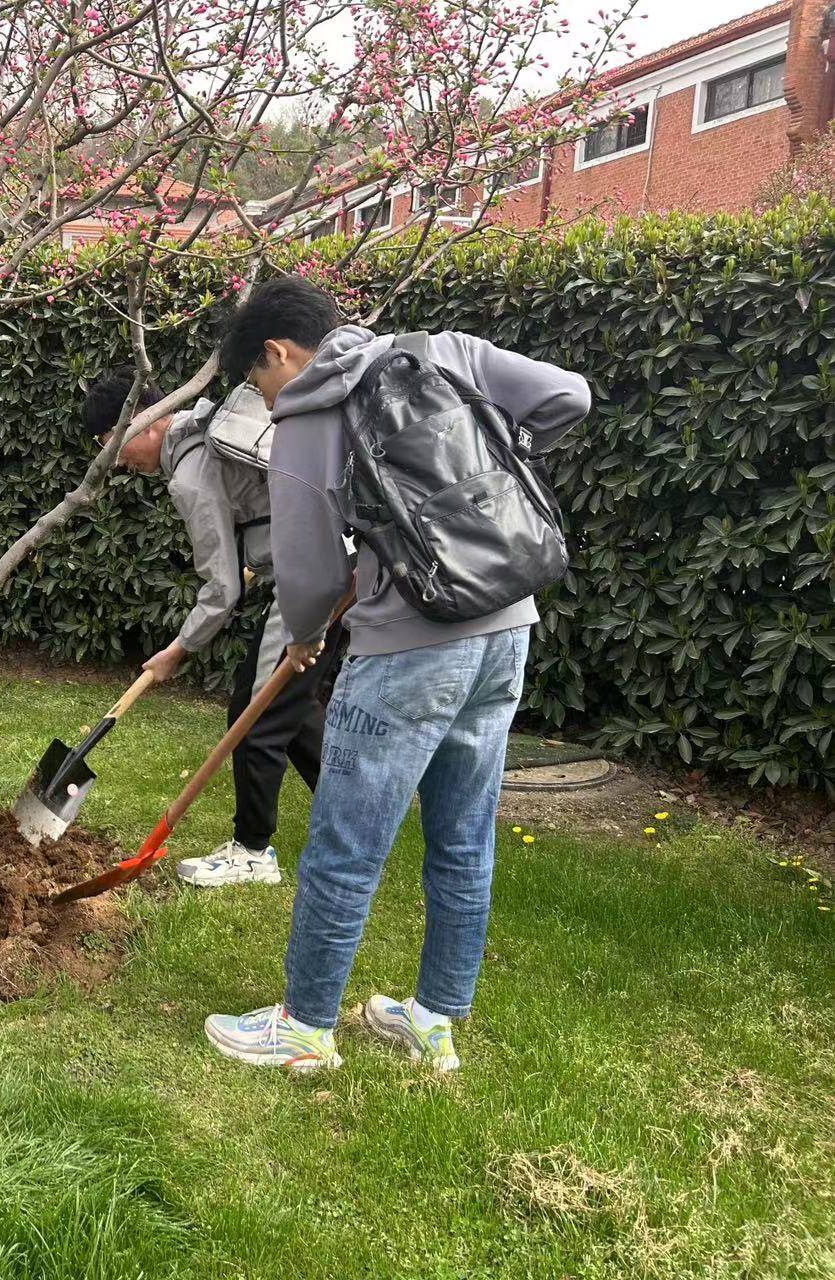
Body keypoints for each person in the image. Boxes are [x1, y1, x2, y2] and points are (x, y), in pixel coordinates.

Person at [202, 277, 590, 1074]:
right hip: (505, 631)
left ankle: (304, 1028)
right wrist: (482, 483)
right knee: (462, 837)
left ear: (279, 352)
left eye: (254, 381)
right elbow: (568, 397)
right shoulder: (443, 352)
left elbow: (307, 574)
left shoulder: (309, 412)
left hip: (407, 648)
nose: (262, 397)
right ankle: (432, 1019)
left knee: (346, 845)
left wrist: (304, 637)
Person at [83, 369, 346, 888]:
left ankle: (252, 851)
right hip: (342, 562)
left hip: (312, 574)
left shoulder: (190, 472)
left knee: (254, 713)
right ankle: (354, 817)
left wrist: (177, 649)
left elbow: (221, 590)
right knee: (290, 708)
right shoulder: (211, 425)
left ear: (148, 421)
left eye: (110, 441)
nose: (114, 459)